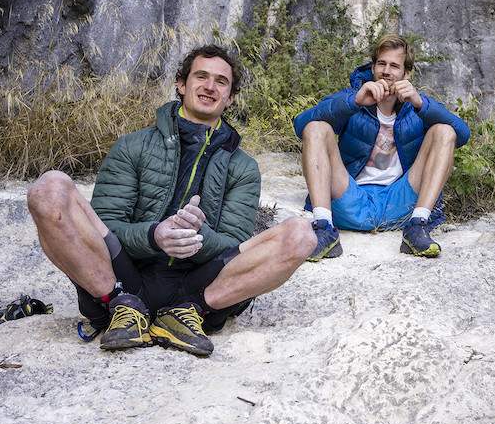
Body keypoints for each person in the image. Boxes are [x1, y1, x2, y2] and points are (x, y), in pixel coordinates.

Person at [27, 44, 316, 356]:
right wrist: (155, 236)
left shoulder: (244, 167)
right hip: (121, 278)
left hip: (198, 289)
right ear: (181, 84)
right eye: (201, 77)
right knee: (49, 189)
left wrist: (198, 236)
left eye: (221, 82)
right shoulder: (132, 146)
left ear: (231, 97)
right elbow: (103, 225)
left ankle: (188, 313)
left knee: (301, 235)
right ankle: (121, 305)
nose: (209, 86)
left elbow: (236, 245)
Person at [293, 34, 470, 260]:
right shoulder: (354, 97)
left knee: (444, 131)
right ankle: (324, 229)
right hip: (350, 199)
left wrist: (420, 103)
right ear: (373, 67)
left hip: (401, 202)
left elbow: (462, 135)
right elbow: (301, 126)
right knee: (315, 128)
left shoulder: (416, 106)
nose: (386, 71)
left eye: (394, 66)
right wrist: (354, 102)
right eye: (381, 64)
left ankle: (417, 226)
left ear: (406, 74)